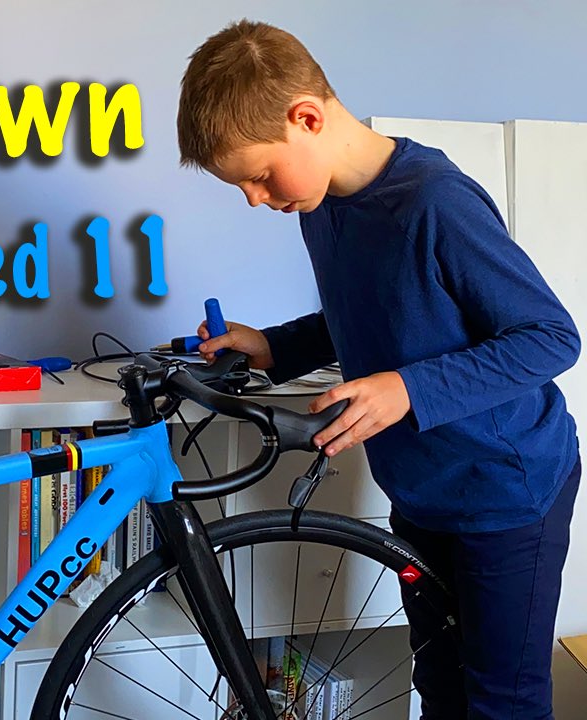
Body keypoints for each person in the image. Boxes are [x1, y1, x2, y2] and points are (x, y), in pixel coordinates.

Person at [176, 19, 582, 720]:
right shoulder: (321, 207)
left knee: (502, 703)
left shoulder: (435, 203)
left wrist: (406, 388)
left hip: (507, 493)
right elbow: (377, 312)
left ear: (307, 118)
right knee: (440, 688)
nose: (255, 199)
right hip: (420, 492)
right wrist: (274, 345)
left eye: (260, 176)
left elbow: (550, 337)